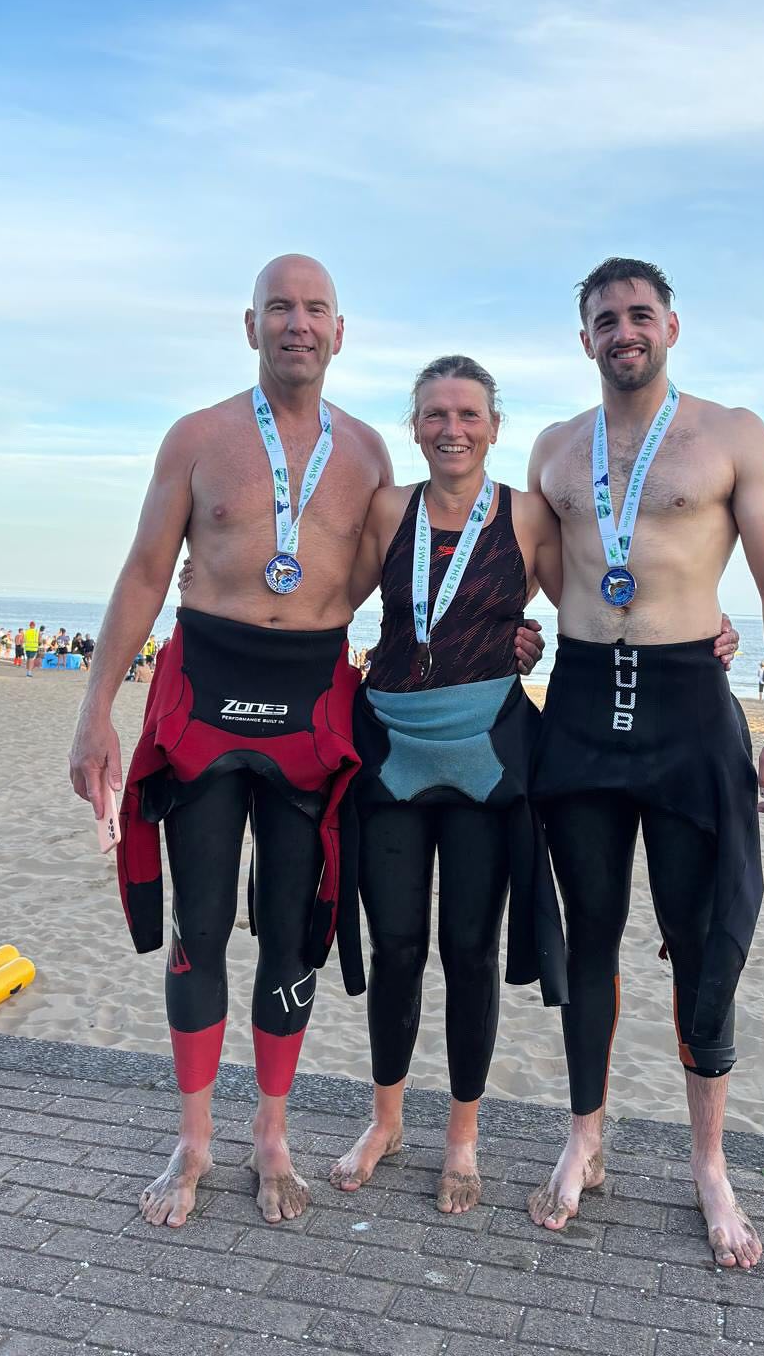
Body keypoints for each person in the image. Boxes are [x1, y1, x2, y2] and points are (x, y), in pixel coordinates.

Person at [69, 255, 543, 1232]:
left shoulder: (366, 456)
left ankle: (272, 1133)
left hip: (310, 702)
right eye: (279, 308)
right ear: (250, 326)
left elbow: (404, 580)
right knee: (201, 926)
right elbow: (145, 573)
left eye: (314, 308)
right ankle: (194, 1138)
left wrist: (511, 633)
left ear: (339, 331)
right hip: (206, 689)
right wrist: (95, 708)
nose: (297, 323)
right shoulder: (197, 438)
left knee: (294, 930)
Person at [525, 257, 764, 1270]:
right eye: (605, 318)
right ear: (585, 339)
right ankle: (585, 1138)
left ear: (671, 327)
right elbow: (528, 570)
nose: (624, 330)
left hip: (690, 708)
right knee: (589, 938)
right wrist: (518, 633)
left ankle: (709, 1163)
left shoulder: (731, 435)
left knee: (703, 941)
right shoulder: (555, 448)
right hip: (580, 706)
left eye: (640, 314)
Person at [327, 358, 568, 1213]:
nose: (451, 429)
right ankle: (386, 1121)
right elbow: (331, 601)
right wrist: (216, 591)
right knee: (395, 946)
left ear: (495, 427)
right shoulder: (388, 508)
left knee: (470, 950)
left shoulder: (528, 515)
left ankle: (462, 1136)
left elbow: (594, 608)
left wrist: (703, 628)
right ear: (415, 426)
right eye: (435, 414)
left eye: (468, 414)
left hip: (484, 757)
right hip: (393, 747)